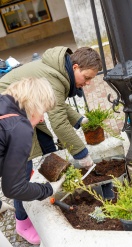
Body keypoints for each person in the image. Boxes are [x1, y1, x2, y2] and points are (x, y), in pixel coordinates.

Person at [0, 46, 102, 244]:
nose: (41, 120)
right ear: (75, 67)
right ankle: (23, 223)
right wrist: (81, 154)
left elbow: (57, 105)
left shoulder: (57, 71)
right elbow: (58, 121)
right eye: (87, 78)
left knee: (44, 151)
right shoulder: (18, 128)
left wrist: (80, 120)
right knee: (24, 167)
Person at [0, 77, 66, 245]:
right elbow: (14, 188)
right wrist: (48, 189)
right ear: (34, 104)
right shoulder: (19, 128)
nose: (42, 118)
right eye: (43, 111)